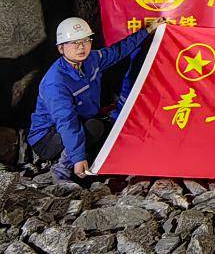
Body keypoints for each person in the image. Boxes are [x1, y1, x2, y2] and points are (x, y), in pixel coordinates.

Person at [29, 17, 164, 183]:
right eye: (74, 43)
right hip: (47, 137)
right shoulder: (56, 82)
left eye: (86, 40)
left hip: (79, 122)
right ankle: (62, 169)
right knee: (95, 127)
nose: (81, 47)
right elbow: (66, 121)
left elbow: (119, 50)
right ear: (61, 48)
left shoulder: (92, 59)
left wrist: (147, 30)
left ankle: (86, 160)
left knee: (108, 129)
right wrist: (78, 158)